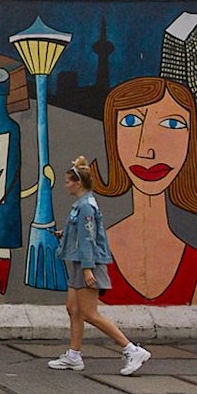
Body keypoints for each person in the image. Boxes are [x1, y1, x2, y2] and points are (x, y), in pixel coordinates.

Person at [91, 77, 197, 305]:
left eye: (172, 124)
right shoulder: (99, 249)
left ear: (190, 141)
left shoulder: (196, 266)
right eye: (131, 121)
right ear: (111, 136)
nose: (147, 150)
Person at [48, 157, 152, 375]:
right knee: (73, 308)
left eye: (68, 181)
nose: (65, 185)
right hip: (79, 261)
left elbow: (89, 238)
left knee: (89, 313)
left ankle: (131, 350)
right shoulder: (81, 205)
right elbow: (82, 235)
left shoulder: (86, 206)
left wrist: (87, 268)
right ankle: (74, 356)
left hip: (88, 263)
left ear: (78, 183)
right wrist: (65, 235)